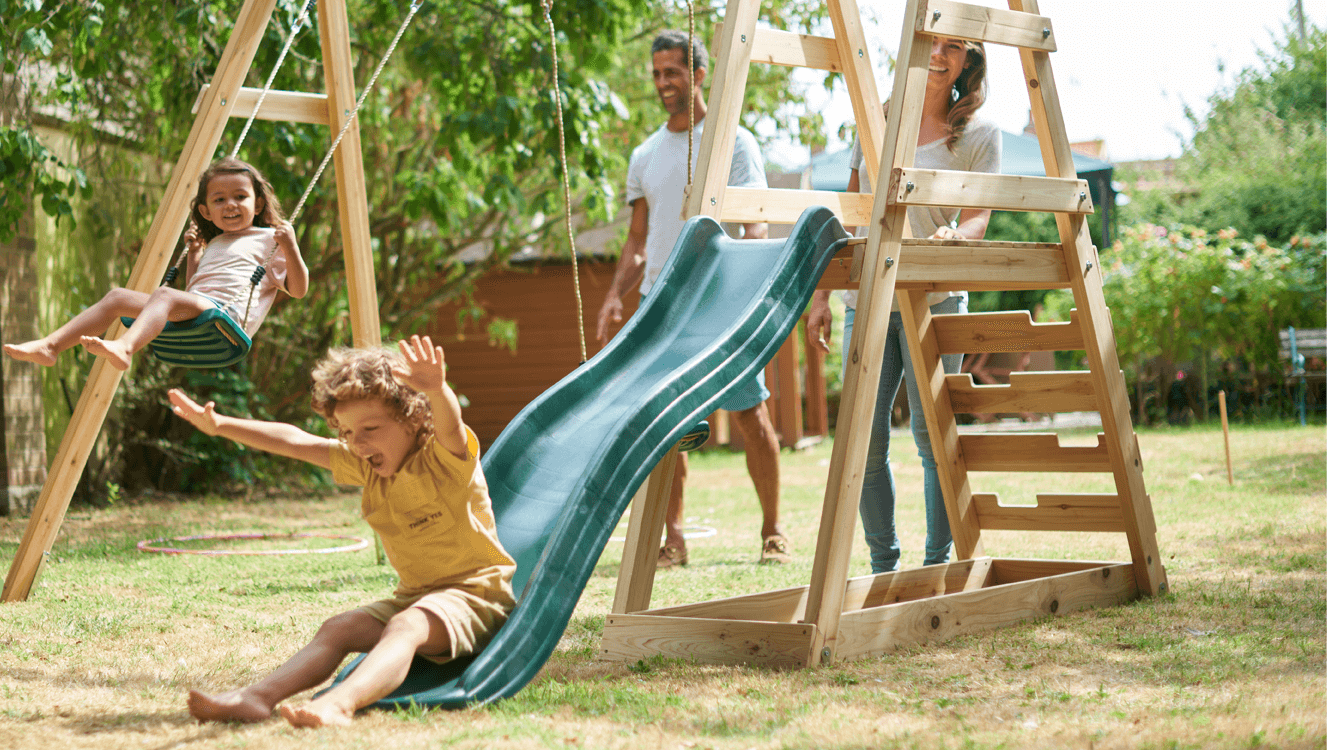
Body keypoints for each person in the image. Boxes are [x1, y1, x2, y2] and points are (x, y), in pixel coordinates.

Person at [173, 336, 516, 728]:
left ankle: (339, 704)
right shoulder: (366, 466)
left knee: (407, 624)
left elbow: (451, 425)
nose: (359, 442)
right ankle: (255, 697)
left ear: (415, 418)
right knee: (339, 628)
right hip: (417, 597)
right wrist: (219, 425)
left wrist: (437, 390)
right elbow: (295, 441)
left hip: (476, 598)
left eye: (370, 427)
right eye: (348, 432)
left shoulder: (444, 460)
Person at [808, 36, 1000, 574]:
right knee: (863, 445)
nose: (939, 54)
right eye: (931, 42)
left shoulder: (981, 134)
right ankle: (883, 569)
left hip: (936, 298)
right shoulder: (878, 118)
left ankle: (937, 565)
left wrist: (957, 238)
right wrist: (823, 295)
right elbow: (850, 213)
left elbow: (979, 215)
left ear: (969, 60)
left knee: (931, 436)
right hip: (865, 296)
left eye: (954, 46)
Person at [595, 30, 788, 567]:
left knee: (751, 415)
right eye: (656, 73)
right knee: (667, 424)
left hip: (722, 301)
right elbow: (638, 241)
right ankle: (672, 539)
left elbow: (755, 226)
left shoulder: (734, 142)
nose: (662, 83)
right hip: (661, 305)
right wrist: (616, 295)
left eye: (672, 72)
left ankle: (773, 529)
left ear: (698, 75)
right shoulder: (645, 154)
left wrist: (751, 296)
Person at [3, 156, 308, 371]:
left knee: (163, 295)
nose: (230, 204)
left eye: (240, 196)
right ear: (205, 211)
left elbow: (298, 289)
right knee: (117, 297)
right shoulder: (215, 242)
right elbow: (193, 290)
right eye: (219, 200)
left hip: (227, 318)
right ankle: (50, 347)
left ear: (258, 204)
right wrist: (195, 256)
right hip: (201, 308)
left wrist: (291, 246)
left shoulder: (270, 239)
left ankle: (125, 347)